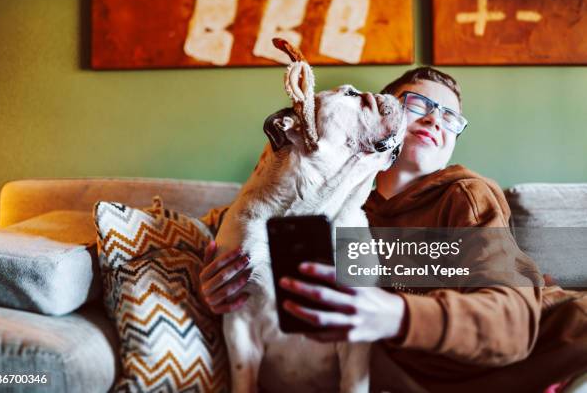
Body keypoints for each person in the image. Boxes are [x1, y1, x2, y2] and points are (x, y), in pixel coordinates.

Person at [199, 67, 587, 392]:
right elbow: (231, 225)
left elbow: (511, 323)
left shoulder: (465, 195)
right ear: (382, 117)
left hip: (562, 345)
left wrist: (394, 314)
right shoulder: (343, 209)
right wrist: (212, 284)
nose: (435, 119)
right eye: (418, 104)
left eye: (450, 118)